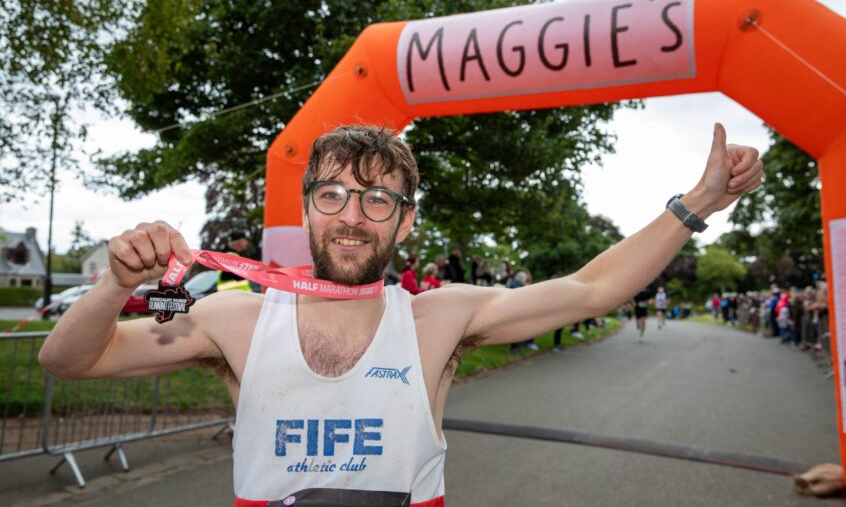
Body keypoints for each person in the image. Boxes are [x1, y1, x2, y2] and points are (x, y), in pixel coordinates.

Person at [37, 123, 762, 505]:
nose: (353, 217)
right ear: (307, 210)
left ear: (405, 224)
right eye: (333, 196)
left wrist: (696, 205)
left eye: (378, 200)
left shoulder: (438, 319)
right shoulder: (239, 320)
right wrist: (112, 285)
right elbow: (68, 361)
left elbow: (591, 291)